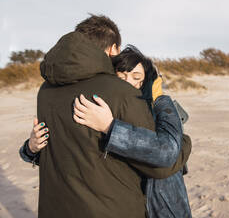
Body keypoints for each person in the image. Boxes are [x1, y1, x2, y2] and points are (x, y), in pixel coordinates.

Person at [20, 15, 190, 218]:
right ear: (113, 49)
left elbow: (69, 148)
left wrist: (29, 150)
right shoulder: (120, 92)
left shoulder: (46, 90)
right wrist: (185, 142)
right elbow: (161, 164)